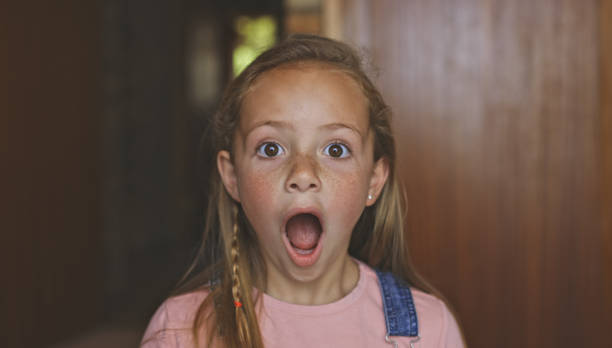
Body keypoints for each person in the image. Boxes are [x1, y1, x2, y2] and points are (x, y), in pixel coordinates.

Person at [141, 34, 465, 348]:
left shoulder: (428, 330)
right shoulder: (180, 331)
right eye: (271, 149)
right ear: (232, 177)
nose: (303, 174)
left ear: (374, 181)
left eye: (336, 150)